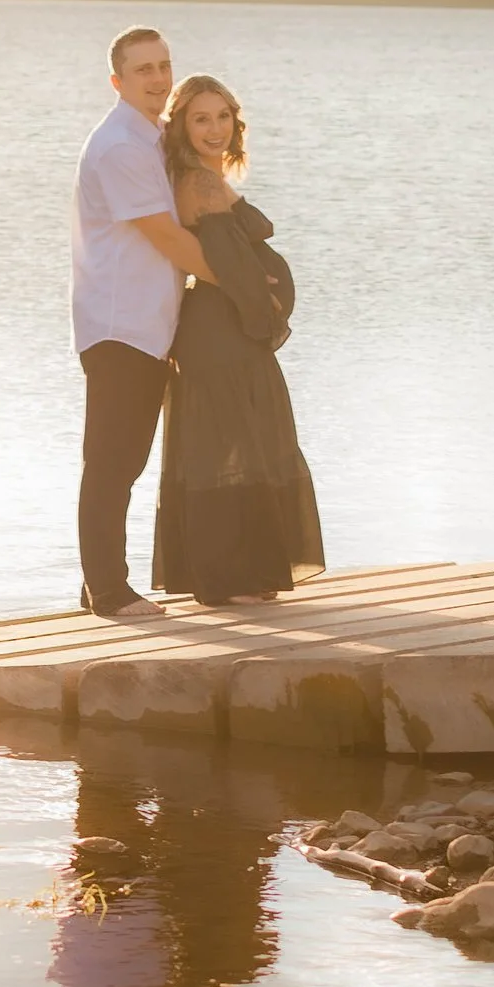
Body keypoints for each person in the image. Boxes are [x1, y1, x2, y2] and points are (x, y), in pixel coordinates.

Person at [152, 71, 324, 606]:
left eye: (223, 116)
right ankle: (230, 578)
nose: (215, 128)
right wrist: (265, 307)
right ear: (180, 124)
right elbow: (226, 263)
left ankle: (236, 573)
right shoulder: (197, 183)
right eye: (201, 118)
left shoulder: (206, 177)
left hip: (227, 332)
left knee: (236, 443)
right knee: (232, 446)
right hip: (220, 334)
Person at [71, 25, 207, 618]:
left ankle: (98, 583)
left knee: (124, 460)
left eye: (163, 66)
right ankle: (108, 591)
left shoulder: (150, 137)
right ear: (118, 81)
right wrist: (245, 287)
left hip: (146, 326)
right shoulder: (122, 146)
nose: (157, 79)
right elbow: (167, 237)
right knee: (112, 461)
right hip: (117, 325)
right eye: (143, 70)